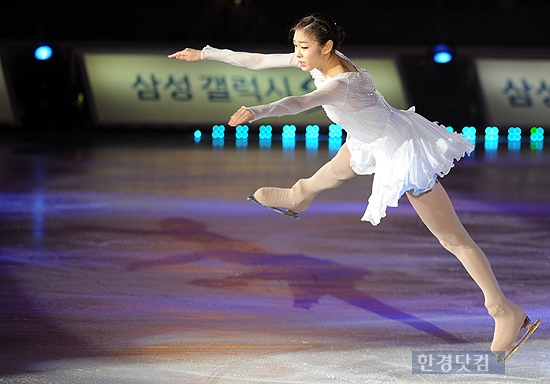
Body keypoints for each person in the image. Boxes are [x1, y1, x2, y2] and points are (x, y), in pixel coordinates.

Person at [168, 13, 540, 362]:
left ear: (326, 47)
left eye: (303, 47)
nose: (297, 54)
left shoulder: (341, 85)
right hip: (370, 135)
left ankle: (504, 309)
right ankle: (297, 197)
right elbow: (260, 60)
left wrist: (259, 110)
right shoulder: (321, 60)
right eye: (295, 45)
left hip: (399, 149)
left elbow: (300, 102)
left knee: (452, 239)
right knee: (334, 171)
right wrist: (206, 54)